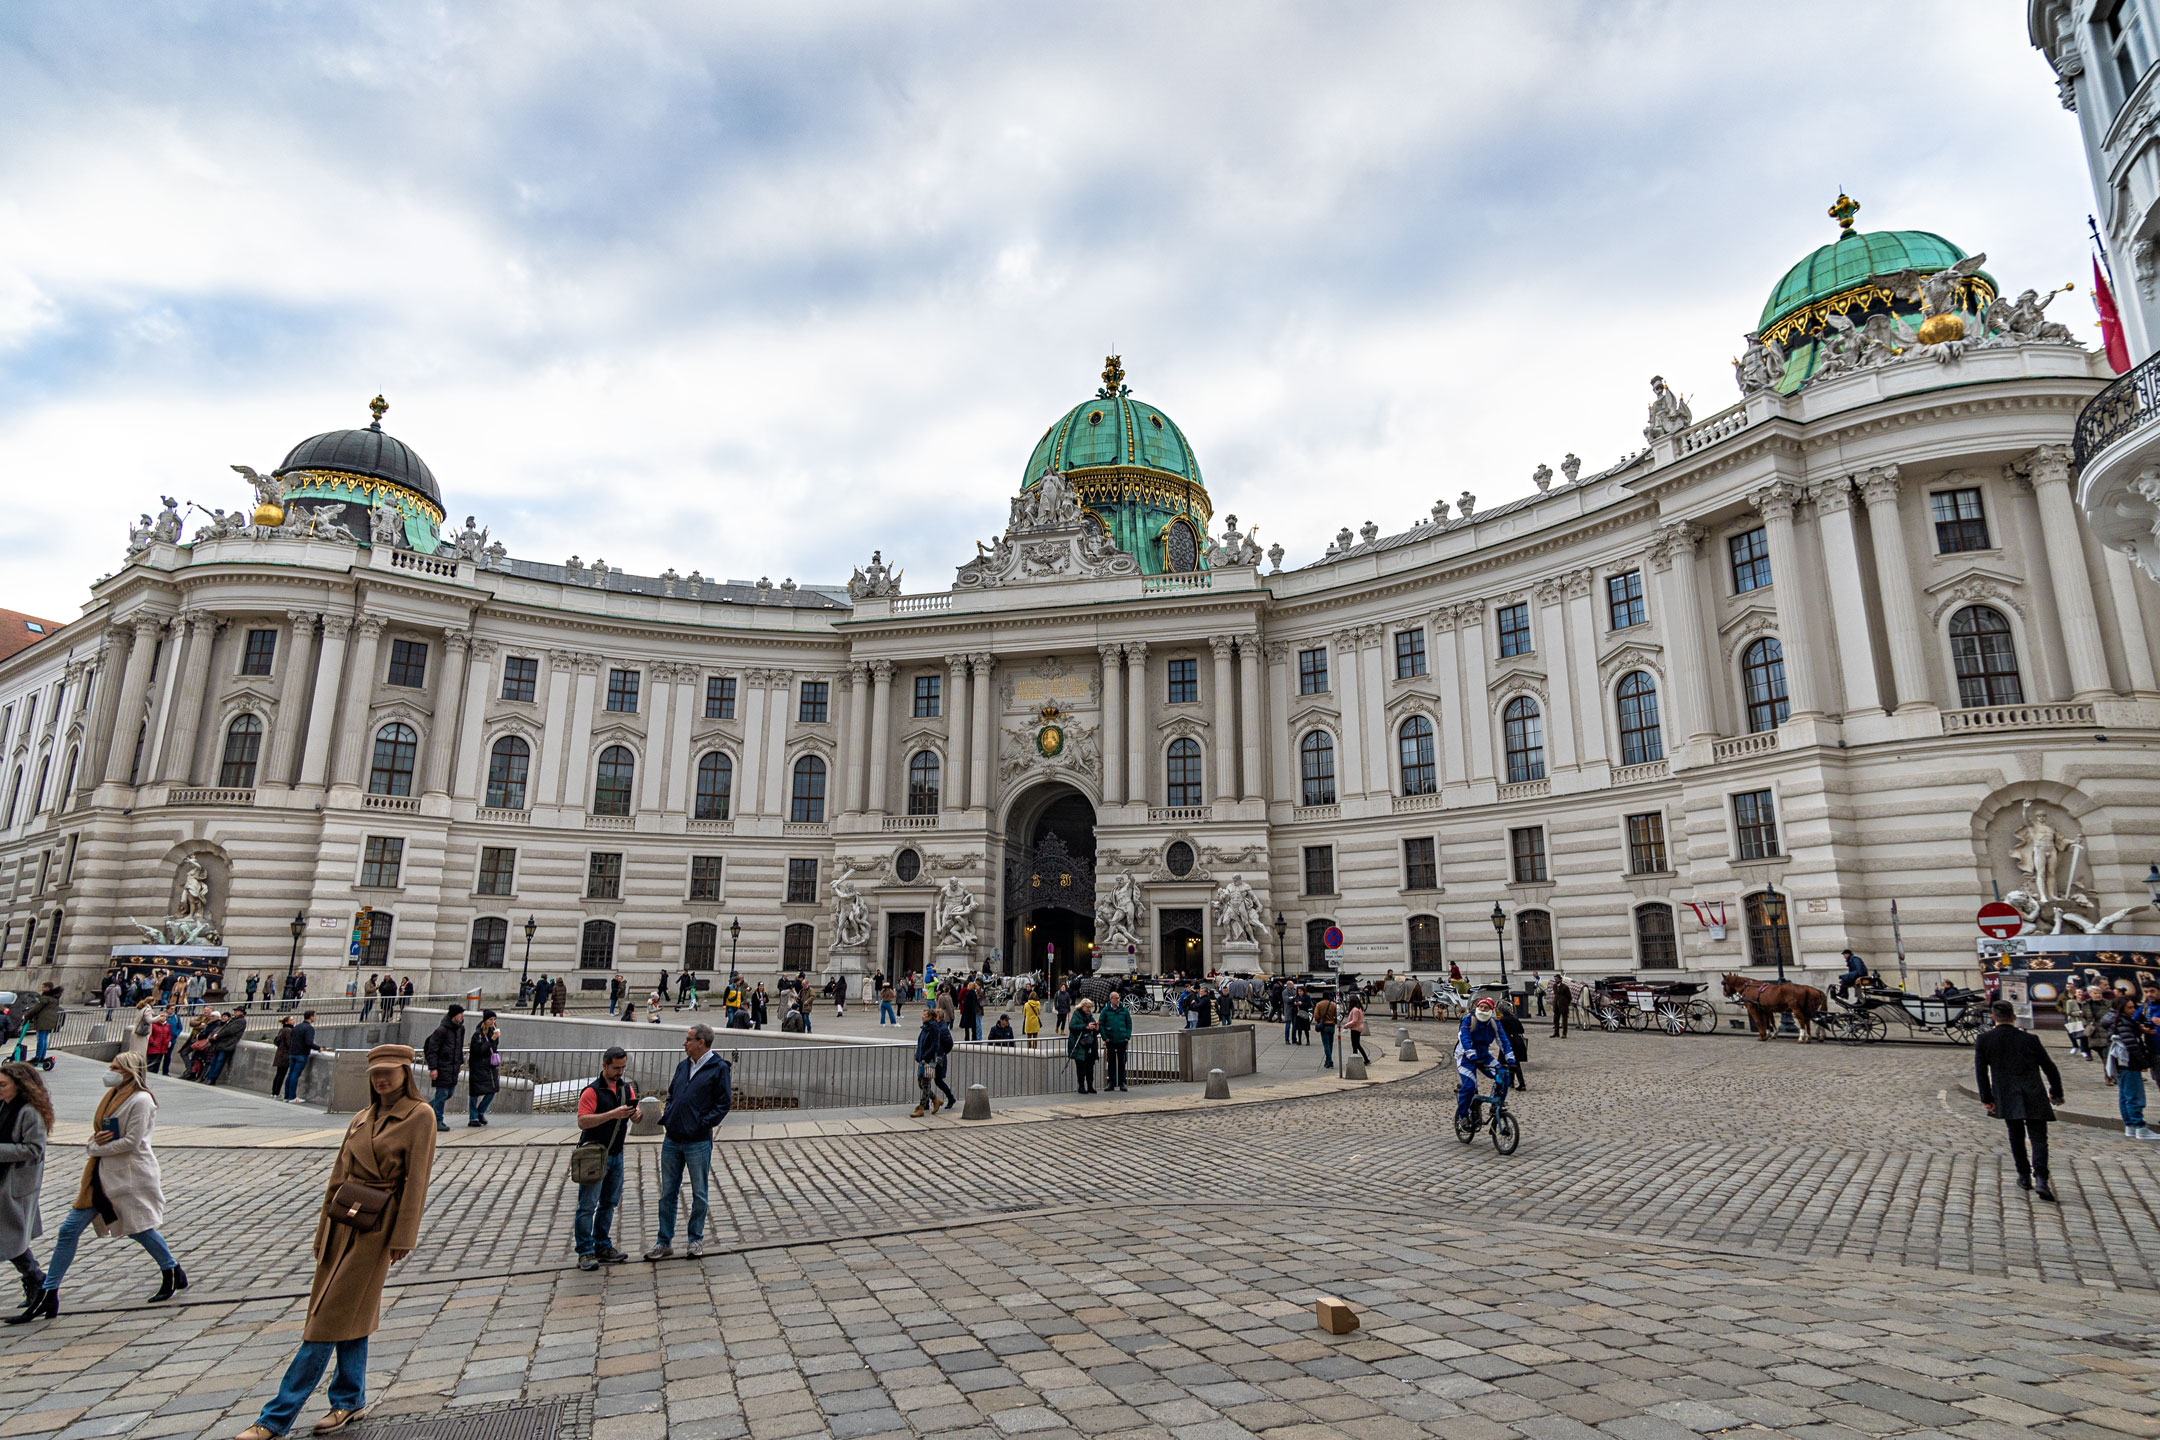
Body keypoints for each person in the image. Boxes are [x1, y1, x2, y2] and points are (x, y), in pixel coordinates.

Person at [235, 1044, 435, 1438]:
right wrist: (322, 1231)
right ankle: (349, 1400)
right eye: (376, 1072)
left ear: (405, 1074)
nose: (381, 1079)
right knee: (349, 1316)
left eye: (389, 1072)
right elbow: (337, 1177)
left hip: (377, 1228)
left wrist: (403, 1238)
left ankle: (275, 1419)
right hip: (342, 1222)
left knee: (324, 1323)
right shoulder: (362, 1117)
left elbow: (417, 1182)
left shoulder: (420, 1116)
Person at [10, 1052, 182, 1325]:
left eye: (115, 1067)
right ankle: (49, 1291)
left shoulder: (141, 1100)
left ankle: (171, 1269)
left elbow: (133, 1142)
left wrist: (95, 1146)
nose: (110, 1070)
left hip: (128, 1177)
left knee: (138, 1229)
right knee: (70, 1230)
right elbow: (103, 1133)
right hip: (101, 1176)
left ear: (129, 1071)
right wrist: (96, 1142)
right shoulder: (113, 1095)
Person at [646, 1024, 730, 1261]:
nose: (684, 1043)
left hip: (697, 1140)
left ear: (701, 1042)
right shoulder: (683, 1065)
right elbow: (672, 1094)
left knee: (699, 1192)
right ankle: (664, 1242)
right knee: (667, 1193)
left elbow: (723, 1104)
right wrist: (670, 1115)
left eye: (688, 1039)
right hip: (673, 1137)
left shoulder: (718, 1068)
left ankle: (695, 1239)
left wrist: (702, 1123)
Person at [1974, 999, 2065, 1201]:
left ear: (1993, 1017)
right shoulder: (2030, 1039)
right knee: (2039, 1138)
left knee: (2015, 1135)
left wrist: (1987, 1098)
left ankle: (2023, 1176)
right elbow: (2049, 1067)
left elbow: (1981, 1073)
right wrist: (2056, 1091)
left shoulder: (1985, 1039)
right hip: (2033, 1091)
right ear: (2014, 1017)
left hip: (2005, 1093)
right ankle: (2041, 1177)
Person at [573, 1047, 637, 1271]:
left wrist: (635, 1115)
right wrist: (612, 1114)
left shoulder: (625, 1089)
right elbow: (583, 1122)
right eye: (616, 1068)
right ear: (604, 1066)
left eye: (623, 1067)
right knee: (587, 1205)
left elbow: (634, 1118)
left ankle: (602, 1244)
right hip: (594, 1154)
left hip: (616, 1154)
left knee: (609, 1203)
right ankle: (584, 1251)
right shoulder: (592, 1091)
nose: (620, 1072)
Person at [0, 1062, 52, 1313]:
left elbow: (34, 1149)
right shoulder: (5, 1106)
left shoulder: (29, 1112)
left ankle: (37, 1282)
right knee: (9, 1238)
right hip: (5, 1181)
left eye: (2, 1085)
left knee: (10, 1238)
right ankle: (36, 1282)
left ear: (20, 1086)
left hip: (15, 1185)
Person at [1454, 996, 1517, 1130]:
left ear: (1491, 1010)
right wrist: (1472, 1056)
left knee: (1504, 1075)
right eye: (1481, 1006)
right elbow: (1464, 1038)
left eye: (1486, 1007)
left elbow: (1504, 1041)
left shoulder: (1494, 1023)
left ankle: (1496, 1105)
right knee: (1470, 1085)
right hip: (1465, 1057)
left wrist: (1511, 1060)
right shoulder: (1468, 1019)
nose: (1482, 1009)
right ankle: (1463, 1116)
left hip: (1484, 1056)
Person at [2101, 995, 2159, 1140]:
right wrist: (2143, 1063)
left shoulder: (2119, 1021)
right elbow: (2131, 1045)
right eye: (2130, 1008)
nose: (2133, 1010)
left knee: (2125, 1095)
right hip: (2128, 1062)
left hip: (2123, 1062)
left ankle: (2131, 1126)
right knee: (2134, 1095)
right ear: (2121, 1009)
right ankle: (2138, 1126)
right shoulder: (2123, 1023)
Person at [422, 1005, 465, 1133]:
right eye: (460, 1014)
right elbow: (432, 1050)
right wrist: (433, 1068)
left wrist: (460, 1063)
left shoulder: (460, 1029)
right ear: (453, 1015)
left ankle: (426, 1110)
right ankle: (437, 1120)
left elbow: (459, 1047)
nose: (462, 1016)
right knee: (442, 1094)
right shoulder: (441, 1030)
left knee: (449, 1093)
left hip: (452, 1067)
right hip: (442, 1067)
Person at [911, 1006, 956, 1117]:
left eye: (924, 1015)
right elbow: (922, 1042)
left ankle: (923, 1106)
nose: (922, 1016)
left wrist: (938, 1053)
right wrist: (919, 1055)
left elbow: (940, 1044)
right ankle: (935, 1100)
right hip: (924, 1058)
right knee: (922, 1082)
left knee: (929, 1082)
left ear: (931, 1017)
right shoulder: (926, 1027)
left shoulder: (936, 1028)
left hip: (932, 1059)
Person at [466, 1012, 500, 1127]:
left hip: (490, 1066)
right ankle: (473, 1116)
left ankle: (480, 1111)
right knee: (475, 1092)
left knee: (493, 1090)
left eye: (494, 1019)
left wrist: (494, 1040)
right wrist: (491, 1040)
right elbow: (478, 1051)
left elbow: (493, 1049)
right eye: (490, 1019)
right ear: (485, 1020)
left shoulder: (492, 1032)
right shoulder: (478, 1034)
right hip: (478, 1066)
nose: (493, 1022)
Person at [205, 1007, 248, 1087]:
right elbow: (223, 1028)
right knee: (214, 1061)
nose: (235, 1012)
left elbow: (230, 1031)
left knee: (219, 1062)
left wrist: (218, 1035)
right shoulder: (233, 1019)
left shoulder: (240, 1021)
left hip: (227, 1044)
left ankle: (212, 1079)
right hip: (221, 1043)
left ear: (241, 1012)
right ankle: (209, 1077)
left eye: (237, 1011)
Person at [1100, 991, 1133, 1092]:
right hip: (1110, 1040)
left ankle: (1122, 1082)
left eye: (1118, 998)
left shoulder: (1124, 1010)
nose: (1118, 1000)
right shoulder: (1105, 1010)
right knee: (1111, 1062)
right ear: (1111, 999)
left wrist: (1127, 1036)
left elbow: (1129, 1023)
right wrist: (1105, 1037)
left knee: (1122, 1062)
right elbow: (1101, 1024)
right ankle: (1111, 1083)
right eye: (1115, 998)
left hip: (1122, 1039)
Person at [1067, 999, 1100, 1094]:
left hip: (1090, 1045)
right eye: (1087, 1007)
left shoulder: (1090, 1016)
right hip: (1080, 1046)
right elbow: (1072, 1027)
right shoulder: (1076, 1015)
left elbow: (1095, 1029)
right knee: (1081, 1068)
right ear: (1082, 1006)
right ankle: (1081, 1086)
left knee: (1090, 1067)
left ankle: (1090, 1086)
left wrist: (1096, 1028)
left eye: (1090, 1007)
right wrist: (1085, 1026)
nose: (1089, 1009)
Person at [286, 1011, 319, 1103]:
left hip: (293, 1053)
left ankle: (287, 1096)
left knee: (290, 1074)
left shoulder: (297, 1027)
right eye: (314, 1016)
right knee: (295, 1075)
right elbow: (309, 1042)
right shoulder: (309, 1029)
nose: (315, 1018)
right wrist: (318, 1048)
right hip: (301, 1054)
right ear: (311, 1017)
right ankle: (292, 1097)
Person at [269, 1017, 296, 1098]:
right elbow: (289, 1043)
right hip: (285, 1055)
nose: (293, 1021)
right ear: (287, 1022)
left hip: (280, 1054)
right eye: (291, 1020)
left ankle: (274, 1092)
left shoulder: (282, 1029)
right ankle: (276, 1093)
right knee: (281, 1074)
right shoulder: (289, 1030)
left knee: (278, 1074)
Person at [145, 1007, 174, 1076]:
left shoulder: (167, 1025)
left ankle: (155, 1074)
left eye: (165, 1017)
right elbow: (150, 1034)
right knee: (151, 1061)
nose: (163, 1018)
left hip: (162, 1046)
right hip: (154, 1046)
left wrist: (167, 1041)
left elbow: (169, 1034)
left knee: (158, 1062)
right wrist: (152, 1042)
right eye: (162, 1016)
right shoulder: (153, 1024)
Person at [1313, 991, 1338, 1068]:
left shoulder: (1319, 1004)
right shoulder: (1334, 1005)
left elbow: (1316, 1015)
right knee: (1330, 1044)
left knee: (1326, 1045)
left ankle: (1329, 1061)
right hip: (1332, 1026)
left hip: (1324, 1026)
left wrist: (1320, 1021)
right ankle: (1327, 1061)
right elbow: (1337, 1015)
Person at [1345, 997, 1370, 1064]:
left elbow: (1354, 1021)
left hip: (1355, 1028)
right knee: (1357, 1045)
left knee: (1355, 1045)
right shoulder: (1359, 1008)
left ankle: (1355, 1060)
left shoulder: (1355, 1010)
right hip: (1358, 1028)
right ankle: (1365, 1059)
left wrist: (1346, 1025)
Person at [1550, 975, 1572, 1040]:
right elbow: (1555, 995)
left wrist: (1565, 1003)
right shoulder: (1554, 986)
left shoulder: (1565, 987)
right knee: (1556, 1020)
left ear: (1560, 979)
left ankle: (1564, 1033)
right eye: (1555, 979)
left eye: (1556, 979)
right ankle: (1556, 1033)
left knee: (1564, 1021)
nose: (1555, 980)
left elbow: (1569, 997)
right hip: (1556, 1005)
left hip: (1563, 1006)